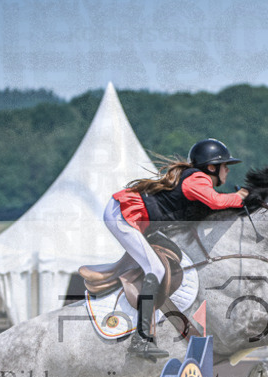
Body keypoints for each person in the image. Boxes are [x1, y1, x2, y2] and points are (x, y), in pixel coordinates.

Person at [105, 138, 248, 360]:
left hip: (132, 217)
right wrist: (240, 198)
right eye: (225, 166)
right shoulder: (198, 179)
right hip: (124, 215)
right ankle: (141, 339)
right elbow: (217, 202)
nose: (228, 171)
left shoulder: (196, 181)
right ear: (212, 167)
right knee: (156, 269)